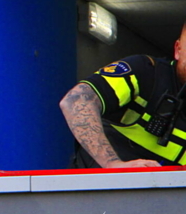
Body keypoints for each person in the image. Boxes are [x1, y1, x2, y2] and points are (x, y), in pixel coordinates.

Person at [59, 20, 186, 168]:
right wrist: (114, 166)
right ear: (178, 50)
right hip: (100, 188)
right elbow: (75, 101)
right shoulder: (146, 72)